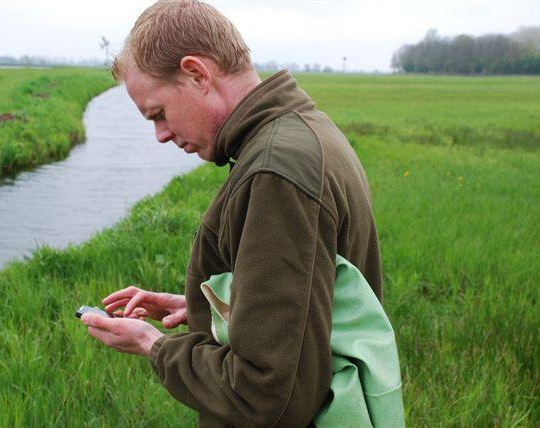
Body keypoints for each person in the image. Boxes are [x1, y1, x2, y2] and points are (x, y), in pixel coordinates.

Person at [80, 1, 384, 426]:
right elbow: (313, 303)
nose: (161, 135)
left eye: (159, 113)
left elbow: (265, 393)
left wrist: (154, 345)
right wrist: (218, 308)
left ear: (197, 73)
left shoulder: (276, 172)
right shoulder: (307, 131)